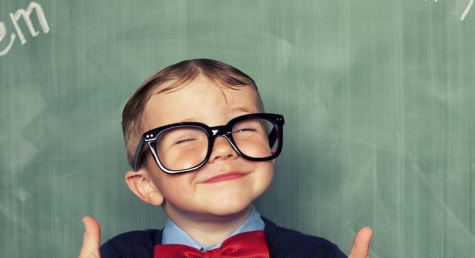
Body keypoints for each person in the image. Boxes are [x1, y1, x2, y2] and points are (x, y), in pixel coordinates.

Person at [76, 59, 372, 258]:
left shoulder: (316, 255)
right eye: (187, 137)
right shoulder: (117, 255)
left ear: (269, 152)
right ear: (147, 186)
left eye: (242, 128)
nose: (223, 148)